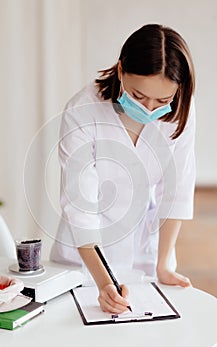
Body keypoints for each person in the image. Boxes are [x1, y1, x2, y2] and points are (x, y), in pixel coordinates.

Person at [50, 23, 196, 314]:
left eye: (162, 100)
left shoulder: (182, 111)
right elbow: (81, 208)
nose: (150, 109)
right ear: (120, 71)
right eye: (139, 96)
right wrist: (105, 284)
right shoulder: (82, 110)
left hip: (146, 251)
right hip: (85, 258)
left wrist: (163, 263)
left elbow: (176, 190)